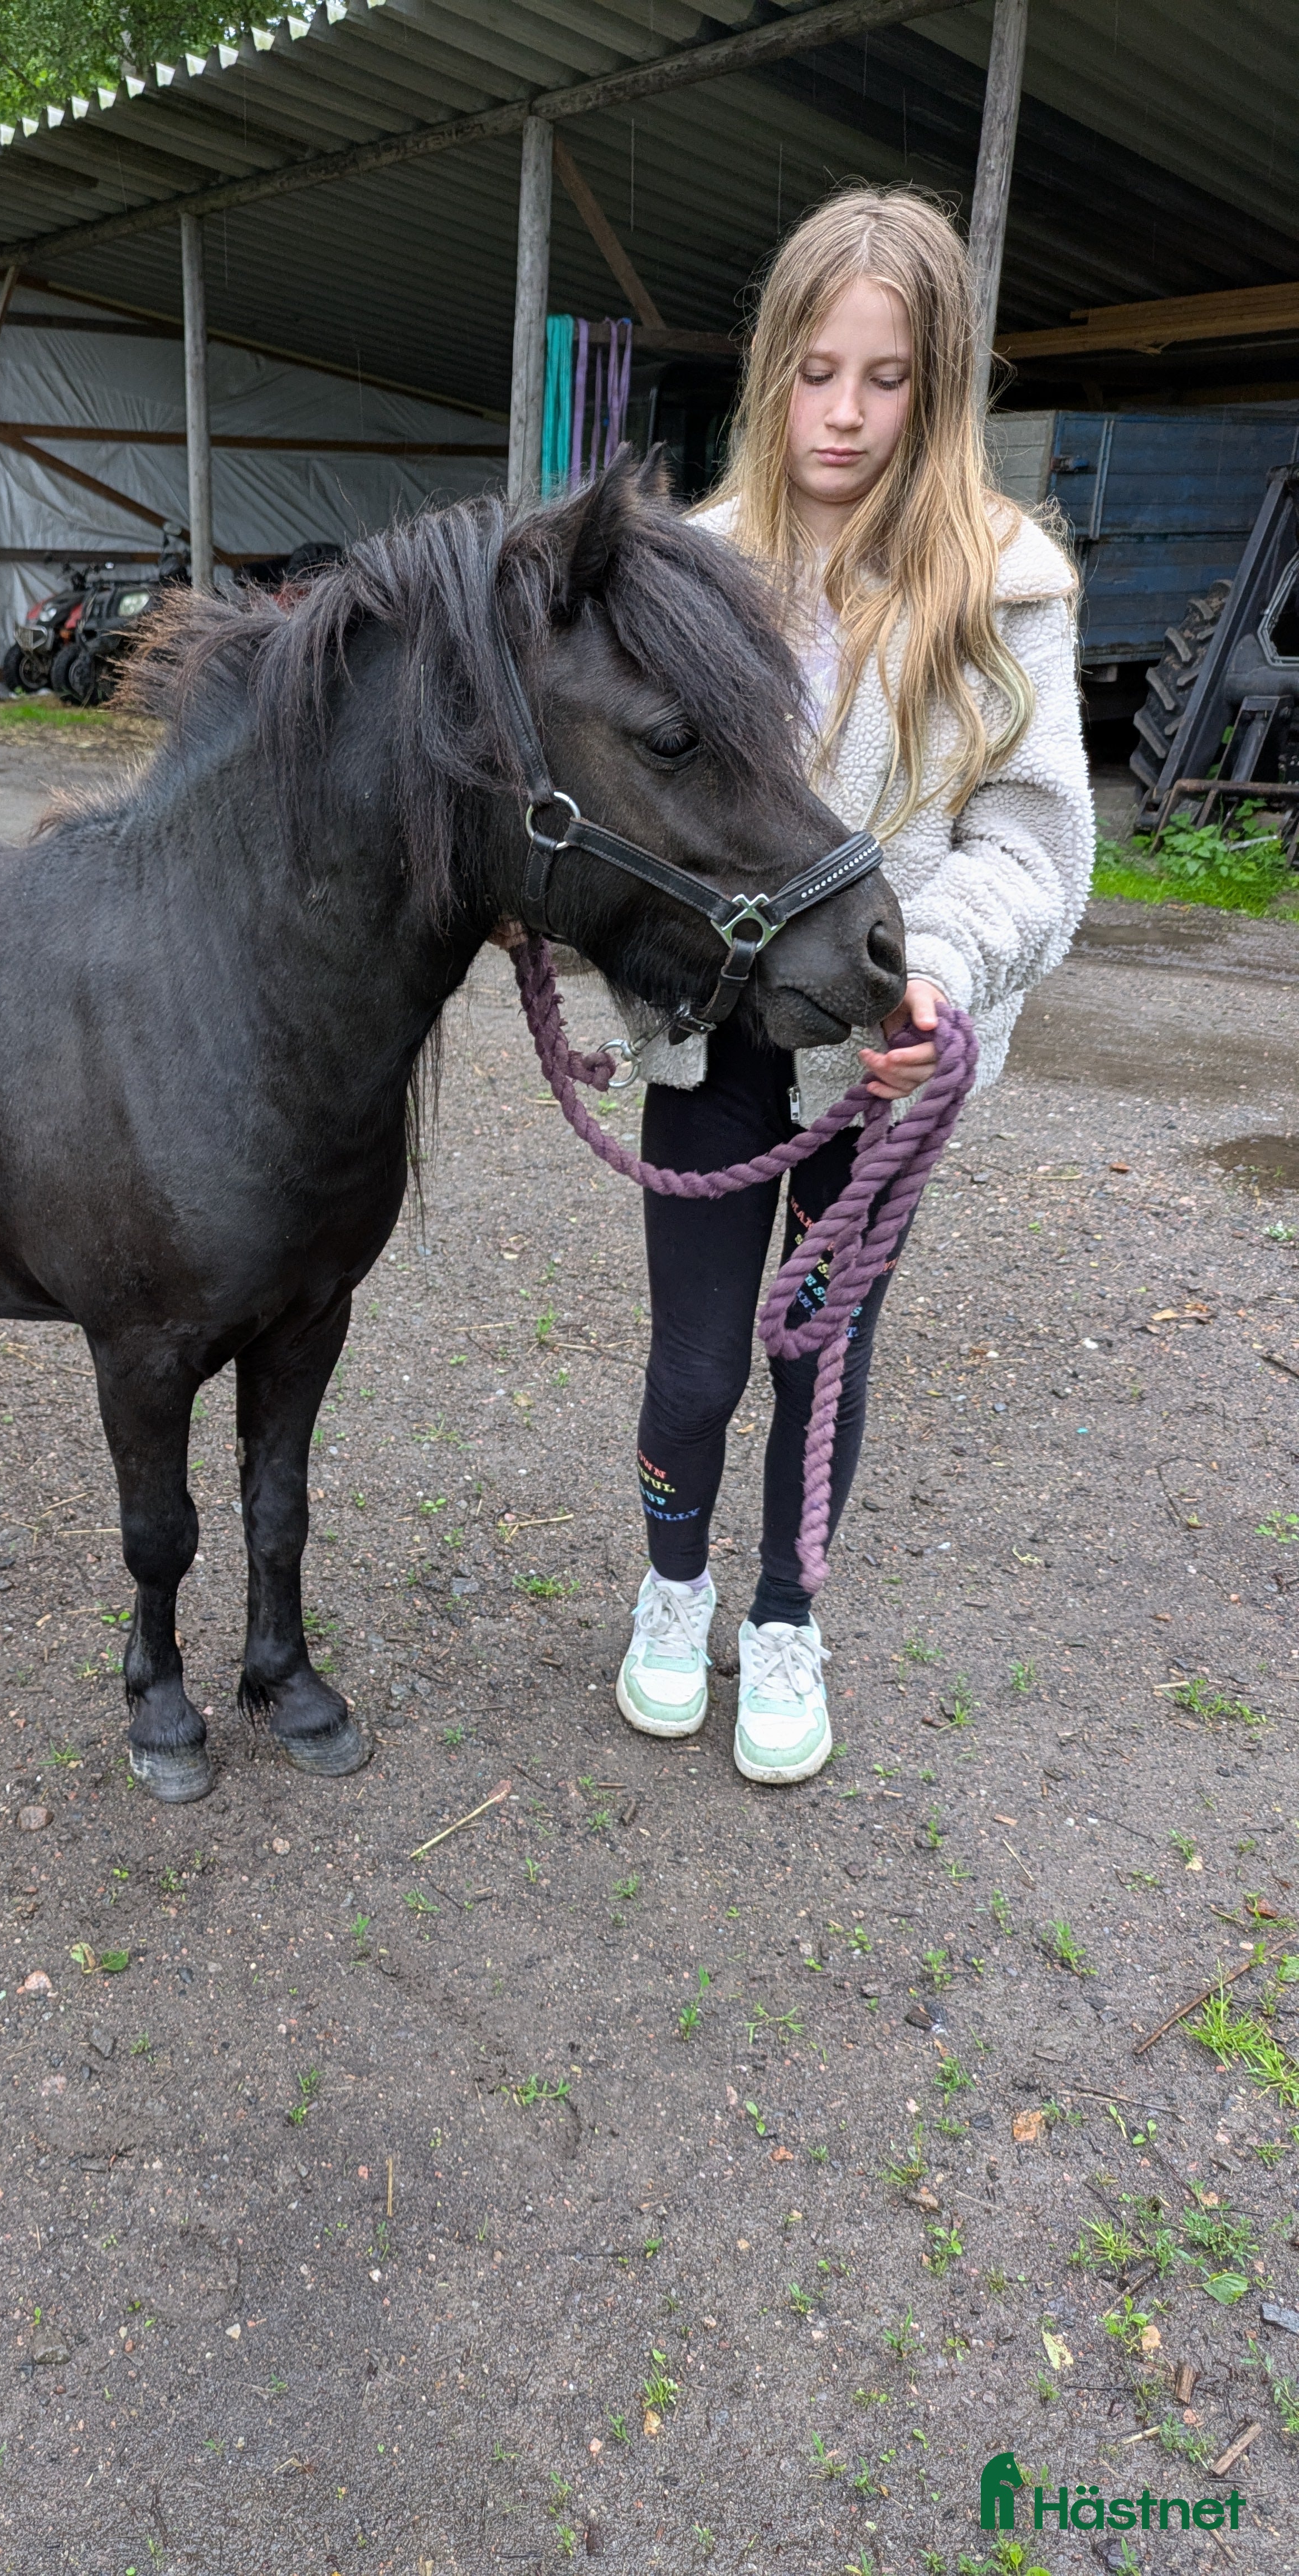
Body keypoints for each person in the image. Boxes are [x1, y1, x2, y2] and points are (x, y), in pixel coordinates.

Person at [613, 187, 1093, 1785]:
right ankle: (673, 1591)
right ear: (771, 370)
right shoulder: (683, 572)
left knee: (820, 1346)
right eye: (817, 370)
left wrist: (938, 979)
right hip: (715, 1043)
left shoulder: (1006, 584)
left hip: (882, 1057)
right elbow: (620, 809)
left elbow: (1028, 835)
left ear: (937, 386)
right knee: (695, 1360)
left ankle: (787, 1612)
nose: (843, 413)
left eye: (885, 379)